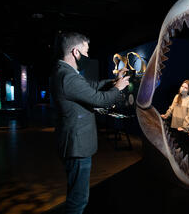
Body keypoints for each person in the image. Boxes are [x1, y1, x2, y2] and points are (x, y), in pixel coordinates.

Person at [49, 32, 129, 214]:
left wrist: (113, 81)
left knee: (76, 194)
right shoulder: (67, 76)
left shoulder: (65, 72)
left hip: (73, 143)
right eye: (86, 51)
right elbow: (99, 99)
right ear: (76, 52)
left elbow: (90, 87)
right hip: (77, 147)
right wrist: (118, 88)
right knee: (78, 200)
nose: (87, 55)